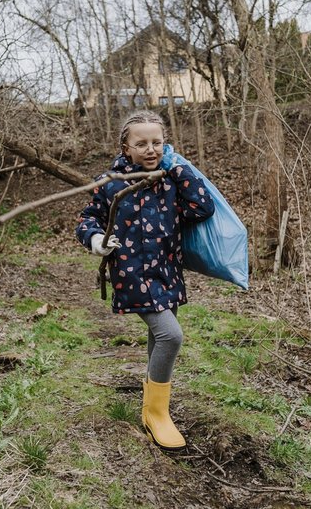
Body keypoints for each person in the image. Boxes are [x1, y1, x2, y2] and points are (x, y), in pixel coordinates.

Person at [75, 110, 214, 450]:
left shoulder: (169, 178)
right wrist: (96, 240)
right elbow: (86, 220)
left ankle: (154, 408)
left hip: (167, 272)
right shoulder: (111, 183)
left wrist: (178, 166)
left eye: (158, 143)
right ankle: (156, 415)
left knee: (158, 337)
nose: (151, 149)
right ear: (126, 148)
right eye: (142, 144)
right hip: (132, 274)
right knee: (171, 335)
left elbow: (202, 207)